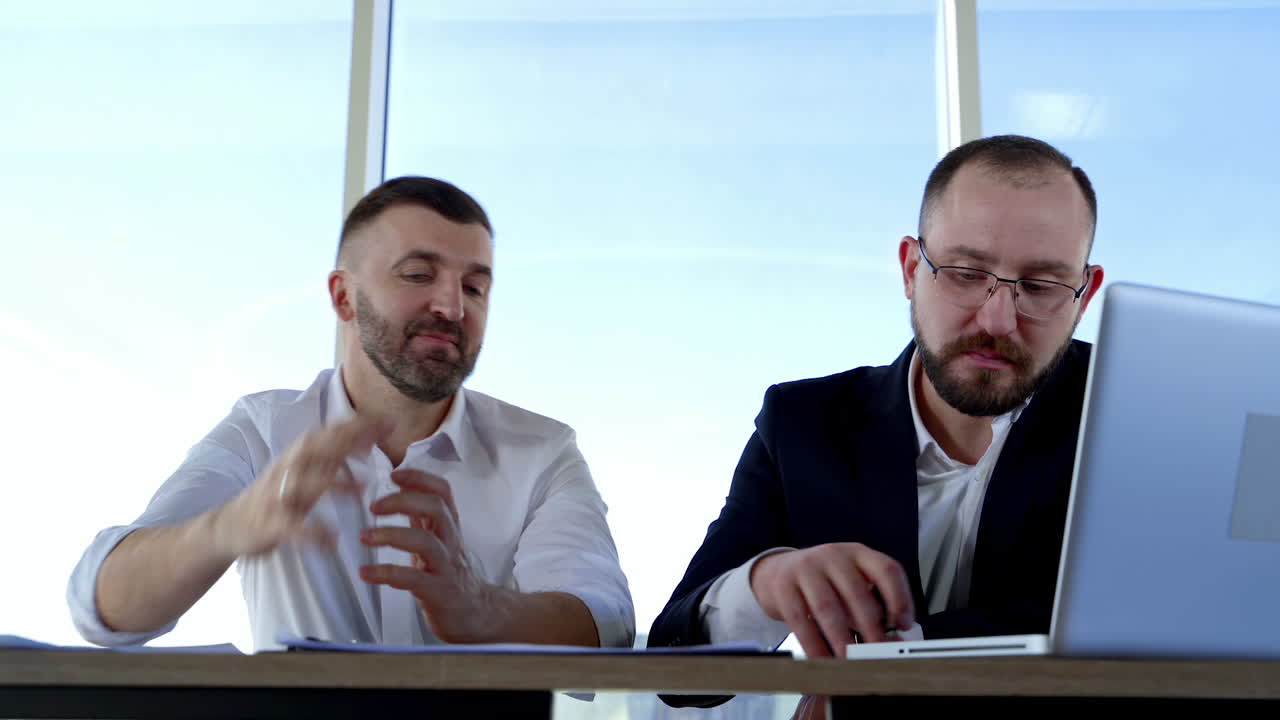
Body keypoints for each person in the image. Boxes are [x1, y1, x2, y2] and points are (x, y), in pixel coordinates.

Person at [68, 176, 635, 651]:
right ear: (343, 297)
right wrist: (227, 527)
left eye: (474, 287)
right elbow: (102, 607)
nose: (452, 306)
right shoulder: (262, 431)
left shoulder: (543, 452)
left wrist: (478, 608)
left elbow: (605, 624)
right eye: (419, 275)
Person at [649, 135, 1105, 706]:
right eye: (965, 273)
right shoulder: (803, 425)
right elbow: (676, 676)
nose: (997, 320)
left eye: (1039, 286)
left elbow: (1138, 632)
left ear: (1083, 296)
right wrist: (763, 585)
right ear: (911, 270)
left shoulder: (1137, 423)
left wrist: (889, 663)